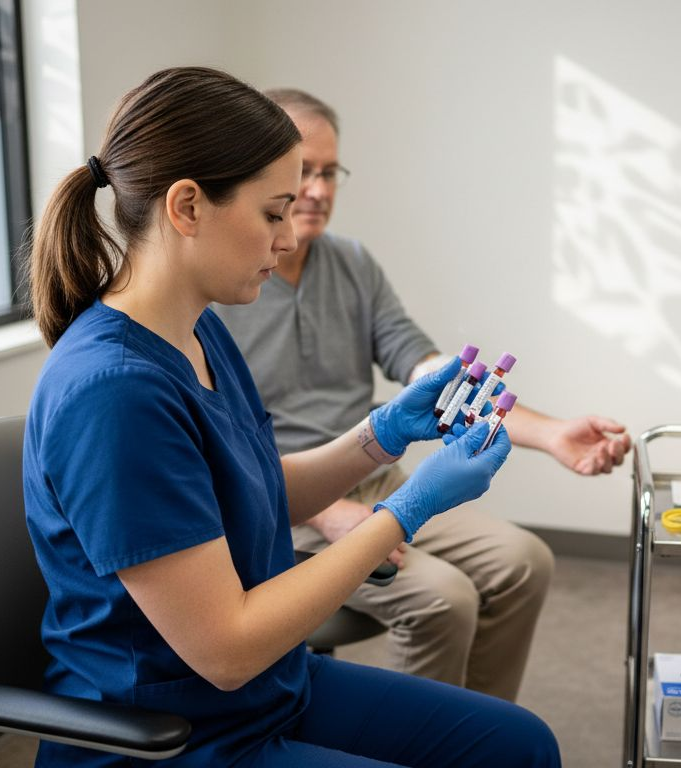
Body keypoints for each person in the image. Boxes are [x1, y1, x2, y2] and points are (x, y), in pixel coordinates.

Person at [22, 66, 560, 768]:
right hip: (171, 736)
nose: (286, 237)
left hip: (266, 689)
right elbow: (226, 649)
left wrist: (382, 434)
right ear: (186, 207)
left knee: (521, 746)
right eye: (273, 212)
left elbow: (257, 487)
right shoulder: (114, 392)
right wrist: (409, 506)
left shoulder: (198, 330)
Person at [213, 89, 632, 703]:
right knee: (445, 599)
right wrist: (326, 514)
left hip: (370, 478)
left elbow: (428, 368)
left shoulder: (351, 262)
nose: (321, 190)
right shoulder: (229, 285)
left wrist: (550, 434)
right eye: (305, 173)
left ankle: (483, 737)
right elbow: (219, 451)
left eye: (332, 172)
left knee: (525, 561)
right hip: (281, 502)